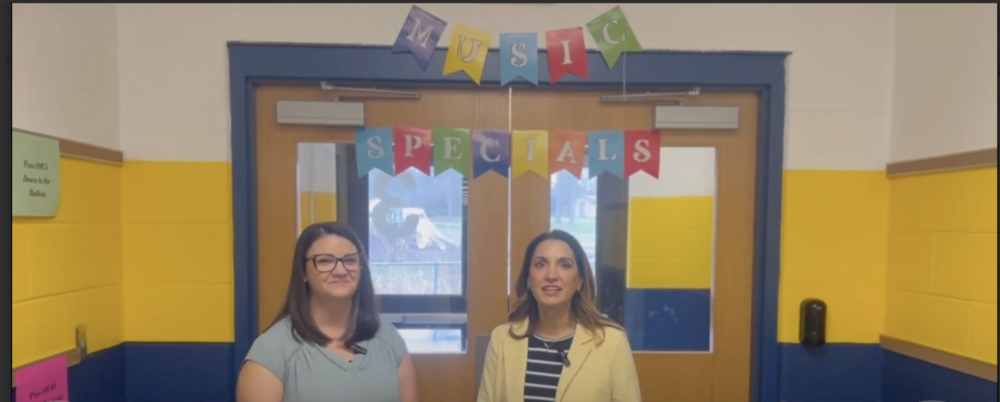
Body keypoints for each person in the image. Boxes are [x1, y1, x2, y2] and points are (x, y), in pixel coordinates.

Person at [237, 222, 418, 402]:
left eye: (350, 260)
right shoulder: (272, 350)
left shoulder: (389, 340)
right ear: (304, 272)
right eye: (325, 261)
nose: (340, 270)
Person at [477, 230, 641, 402]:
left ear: (579, 280)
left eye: (564, 265)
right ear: (528, 278)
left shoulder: (611, 342)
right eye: (540, 264)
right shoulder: (502, 339)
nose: (551, 276)